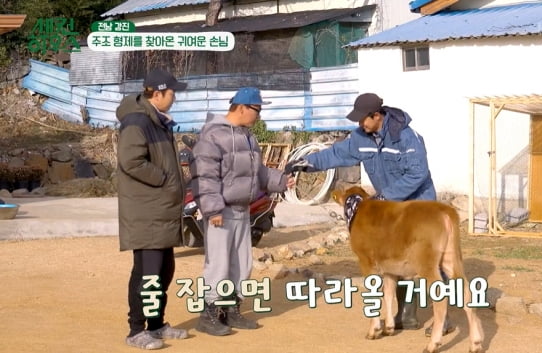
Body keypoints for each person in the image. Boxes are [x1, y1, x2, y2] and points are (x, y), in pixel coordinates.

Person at [286, 92, 454, 337]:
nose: (359, 124)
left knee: (431, 261)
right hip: (391, 208)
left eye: (363, 119)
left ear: (377, 116)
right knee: (396, 257)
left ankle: (444, 317)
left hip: (419, 205)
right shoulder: (361, 137)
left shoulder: (407, 137)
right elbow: (336, 154)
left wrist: (386, 197)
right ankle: (407, 314)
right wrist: (306, 164)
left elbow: (418, 174)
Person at [190, 87, 295, 336]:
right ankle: (209, 315)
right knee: (218, 263)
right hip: (221, 212)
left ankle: (232, 311)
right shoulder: (213, 136)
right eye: (257, 110)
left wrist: (281, 180)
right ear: (241, 108)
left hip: (241, 210)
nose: (259, 116)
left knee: (241, 263)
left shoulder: (248, 137)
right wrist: (213, 209)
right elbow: (205, 176)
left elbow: (258, 172)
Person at [116, 69, 189, 350]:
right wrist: (164, 179)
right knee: (147, 274)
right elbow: (131, 161)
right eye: (172, 93)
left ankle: (156, 325)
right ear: (157, 93)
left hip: (161, 211)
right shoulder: (138, 121)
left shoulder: (157, 121)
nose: (174, 97)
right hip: (147, 211)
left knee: (163, 271)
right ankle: (137, 330)